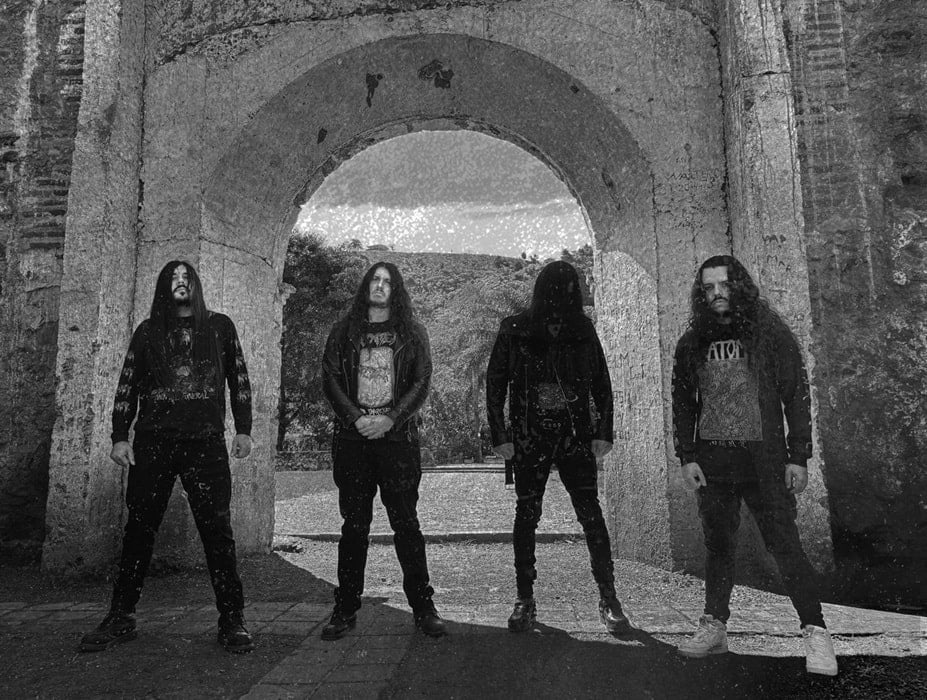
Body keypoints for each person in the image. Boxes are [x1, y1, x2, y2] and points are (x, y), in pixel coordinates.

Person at [671, 254, 838, 676]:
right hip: (714, 463)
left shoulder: (770, 333)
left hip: (764, 463)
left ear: (739, 286)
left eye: (724, 285)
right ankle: (715, 626)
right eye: (708, 288)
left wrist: (798, 456)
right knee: (718, 547)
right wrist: (687, 456)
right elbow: (683, 403)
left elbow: (795, 396)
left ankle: (816, 632)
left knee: (785, 546)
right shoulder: (692, 342)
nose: (717, 294)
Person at [79, 260, 255, 654]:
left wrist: (243, 428)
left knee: (218, 532)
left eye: (185, 276)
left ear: (196, 284)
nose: (180, 282)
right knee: (138, 530)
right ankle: (121, 616)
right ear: (163, 287)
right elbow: (127, 384)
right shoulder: (147, 331)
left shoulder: (220, 327)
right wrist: (119, 436)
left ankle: (232, 619)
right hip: (153, 443)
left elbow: (239, 378)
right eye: (172, 278)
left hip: (205, 443)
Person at [486, 260, 631, 635]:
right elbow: (495, 384)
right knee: (526, 514)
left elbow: (602, 383)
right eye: (560, 288)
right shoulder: (515, 328)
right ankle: (524, 598)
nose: (566, 295)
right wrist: (500, 434)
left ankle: (609, 598)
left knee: (590, 514)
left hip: (574, 434)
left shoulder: (582, 329)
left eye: (570, 288)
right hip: (530, 434)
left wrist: (603, 431)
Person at [320, 261, 446, 639]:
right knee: (354, 527)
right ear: (366, 286)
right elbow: (330, 378)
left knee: (406, 524)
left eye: (387, 282)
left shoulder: (412, 332)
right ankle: (345, 609)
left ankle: (423, 608)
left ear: (396, 290)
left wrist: (391, 418)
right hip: (353, 441)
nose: (379, 286)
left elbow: (422, 381)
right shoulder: (344, 331)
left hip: (397, 442)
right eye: (374, 280)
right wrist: (355, 418)